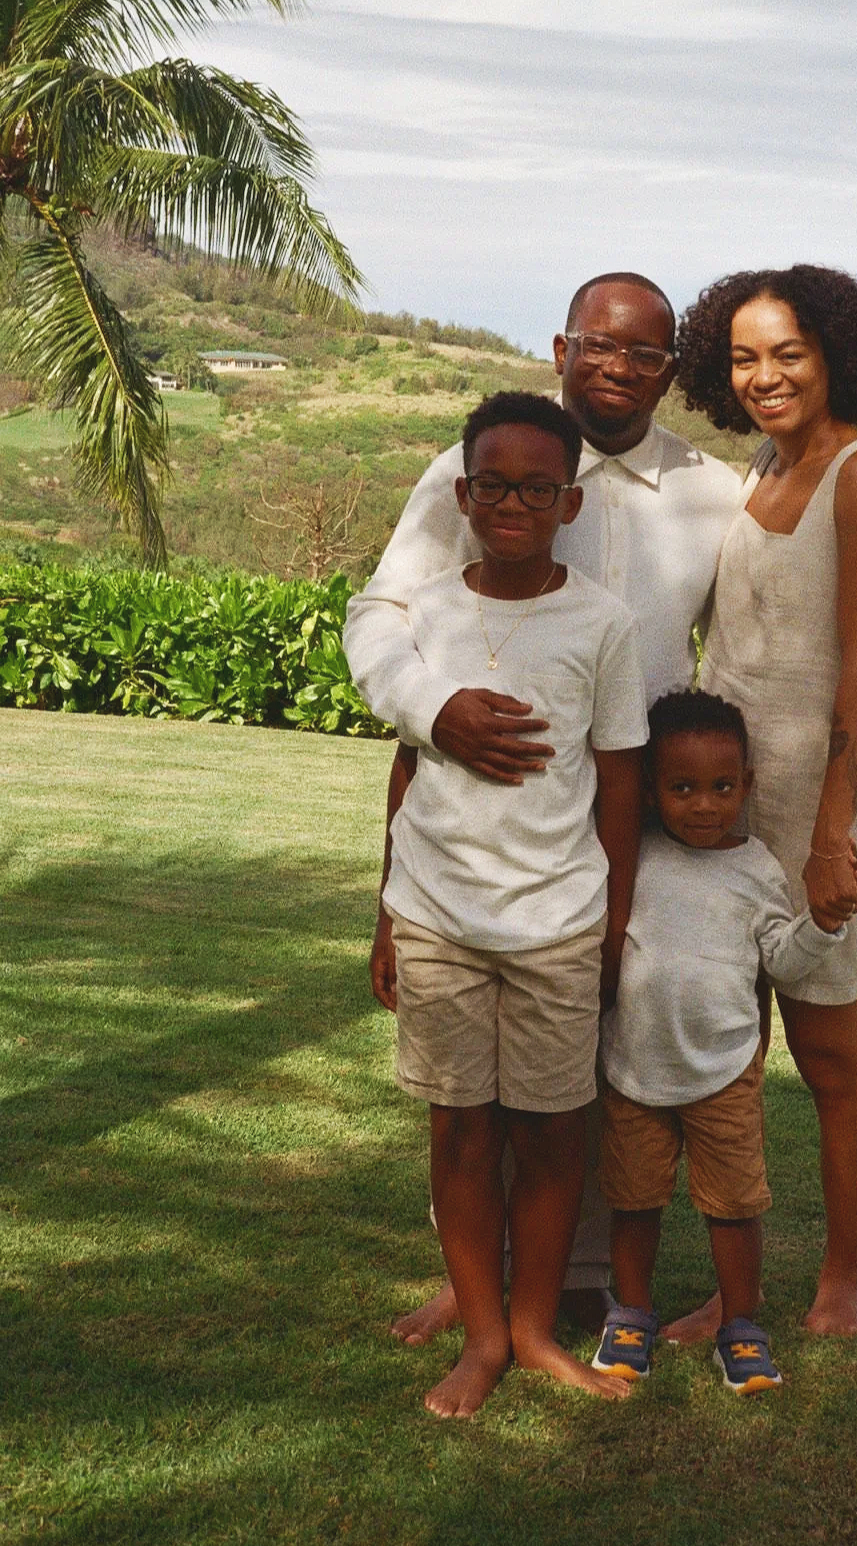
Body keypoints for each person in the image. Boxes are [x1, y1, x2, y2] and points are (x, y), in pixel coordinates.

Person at [344, 273, 744, 1344]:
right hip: (477, 818)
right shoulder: (470, 467)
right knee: (469, 1091)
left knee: (603, 1066)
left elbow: (749, 636)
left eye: (644, 354)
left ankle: (588, 1284)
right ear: (561, 346)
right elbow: (384, 613)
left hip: (633, 812)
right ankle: (478, 1286)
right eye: (597, 346)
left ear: (670, 369)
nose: (616, 367)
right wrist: (434, 711)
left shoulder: (715, 493)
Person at [355, 390, 647, 1418]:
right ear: (463, 491)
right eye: (492, 484)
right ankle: (483, 1336)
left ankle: (531, 1330)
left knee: (557, 1131)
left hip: (558, 924)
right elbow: (407, 767)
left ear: (569, 503)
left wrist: (611, 927)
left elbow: (618, 779)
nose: (511, 502)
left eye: (536, 487)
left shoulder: (603, 624)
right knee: (461, 1132)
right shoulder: (424, 616)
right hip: (438, 916)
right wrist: (387, 916)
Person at [674, 264, 857, 1338]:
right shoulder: (757, 470)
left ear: (836, 355)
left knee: (831, 1057)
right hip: (723, 818)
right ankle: (734, 1290)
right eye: (743, 356)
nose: (765, 375)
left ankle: (845, 1276)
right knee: (728, 1058)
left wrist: (830, 839)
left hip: (821, 815)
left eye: (788, 352)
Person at [591, 690, 856, 1396]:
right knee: (634, 1200)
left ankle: (741, 1324)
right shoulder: (634, 853)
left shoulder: (758, 868)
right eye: (681, 787)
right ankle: (632, 1314)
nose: (703, 805)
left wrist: (822, 925)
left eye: (721, 787)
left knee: (734, 1206)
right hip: (633, 1066)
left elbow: (783, 960)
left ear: (747, 786)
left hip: (725, 1071)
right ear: (651, 788)